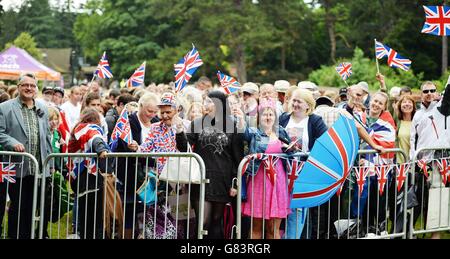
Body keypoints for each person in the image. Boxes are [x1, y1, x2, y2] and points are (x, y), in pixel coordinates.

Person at [176, 90, 244, 239]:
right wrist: (180, 131)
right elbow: (185, 148)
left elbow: (237, 157)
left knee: (215, 222)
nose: (205, 104)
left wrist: (235, 183)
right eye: (205, 100)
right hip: (201, 179)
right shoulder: (197, 123)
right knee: (203, 223)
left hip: (222, 180)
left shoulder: (232, 126)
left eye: (209, 101)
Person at [0, 73, 52, 239]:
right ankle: (15, 235)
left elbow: (47, 136)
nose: (29, 88)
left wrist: (50, 164)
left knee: (33, 206)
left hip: (38, 168)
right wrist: (12, 142)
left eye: (32, 85)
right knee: (18, 206)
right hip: (16, 166)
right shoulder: (5, 108)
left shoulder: (42, 108)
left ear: (36, 88)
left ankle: (29, 235)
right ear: (18, 87)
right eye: (25, 85)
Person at [279, 88, 328, 239]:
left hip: (302, 175)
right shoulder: (283, 118)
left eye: (299, 101)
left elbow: (324, 144)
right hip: (281, 172)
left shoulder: (315, 121)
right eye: (293, 100)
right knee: (279, 213)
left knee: (297, 213)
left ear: (308, 105)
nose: (295, 104)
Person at [241, 99, 291, 239]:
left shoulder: (281, 132)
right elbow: (243, 133)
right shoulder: (254, 133)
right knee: (256, 226)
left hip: (278, 182)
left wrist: (290, 149)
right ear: (259, 117)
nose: (268, 117)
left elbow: (291, 153)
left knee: (273, 229)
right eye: (264, 114)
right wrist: (239, 118)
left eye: (271, 114)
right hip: (259, 181)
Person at [112, 92, 160, 238]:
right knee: (129, 215)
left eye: (155, 111)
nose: (152, 114)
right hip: (130, 177)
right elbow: (127, 149)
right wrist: (146, 155)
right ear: (140, 106)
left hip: (151, 177)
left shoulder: (157, 122)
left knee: (148, 215)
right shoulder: (129, 122)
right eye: (149, 111)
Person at [351, 91, 396, 236]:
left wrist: (372, 162)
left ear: (384, 107)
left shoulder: (387, 125)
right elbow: (351, 139)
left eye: (380, 103)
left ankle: (377, 230)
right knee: (359, 200)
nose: (376, 104)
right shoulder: (359, 118)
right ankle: (358, 229)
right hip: (358, 168)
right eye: (375, 101)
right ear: (370, 101)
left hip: (378, 170)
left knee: (376, 202)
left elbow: (387, 146)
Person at [409, 80, 450, 239]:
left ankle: (435, 234)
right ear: (421, 95)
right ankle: (413, 231)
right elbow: (413, 139)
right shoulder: (417, 114)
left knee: (437, 197)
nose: (429, 94)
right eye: (425, 91)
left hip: (438, 161)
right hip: (420, 162)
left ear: (437, 92)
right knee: (420, 198)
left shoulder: (442, 108)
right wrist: (412, 160)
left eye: (432, 90)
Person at [68, 108, 113, 239]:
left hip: (82, 178)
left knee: (87, 219)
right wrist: (102, 149)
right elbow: (95, 137)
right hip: (87, 177)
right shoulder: (87, 127)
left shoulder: (78, 128)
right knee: (93, 220)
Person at [396, 95, 416, 164]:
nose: (407, 104)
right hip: (400, 164)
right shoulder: (397, 122)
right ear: (400, 106)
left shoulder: (417, 122)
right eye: (404, 102)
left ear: (413, 106)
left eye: (410, 102)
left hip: (414, 163)